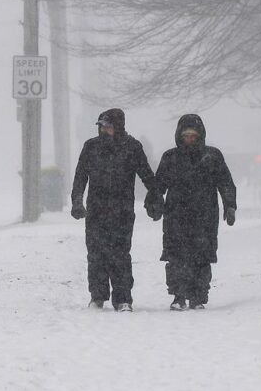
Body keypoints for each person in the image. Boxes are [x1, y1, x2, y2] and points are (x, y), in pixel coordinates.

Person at [70, 108, 162, 312]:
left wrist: (155, 197)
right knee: (96, 254)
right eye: (102, 127)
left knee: (120, 254)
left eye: (109, 127)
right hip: (96, 211)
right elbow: (80, 177)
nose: (105, 130)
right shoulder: (91, 147)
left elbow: (146, 175)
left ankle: (123, 298)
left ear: (118, 127)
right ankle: (97, 296)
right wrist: (77, 201)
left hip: (122, 212)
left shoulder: (132, 147)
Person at [152, 114, 236, 310]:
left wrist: (230, 205)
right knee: (176, 257)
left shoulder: (212, 156)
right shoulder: (170, 157)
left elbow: (225, 183)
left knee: (202, 256)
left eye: (193, 135)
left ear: (200, 136)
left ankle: (198, 296)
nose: (189, 139)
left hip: (204, 216)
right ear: (179, 136)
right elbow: (158, 185)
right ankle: (178, 296)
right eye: (186, 135)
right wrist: (154, 204)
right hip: (176, 215)